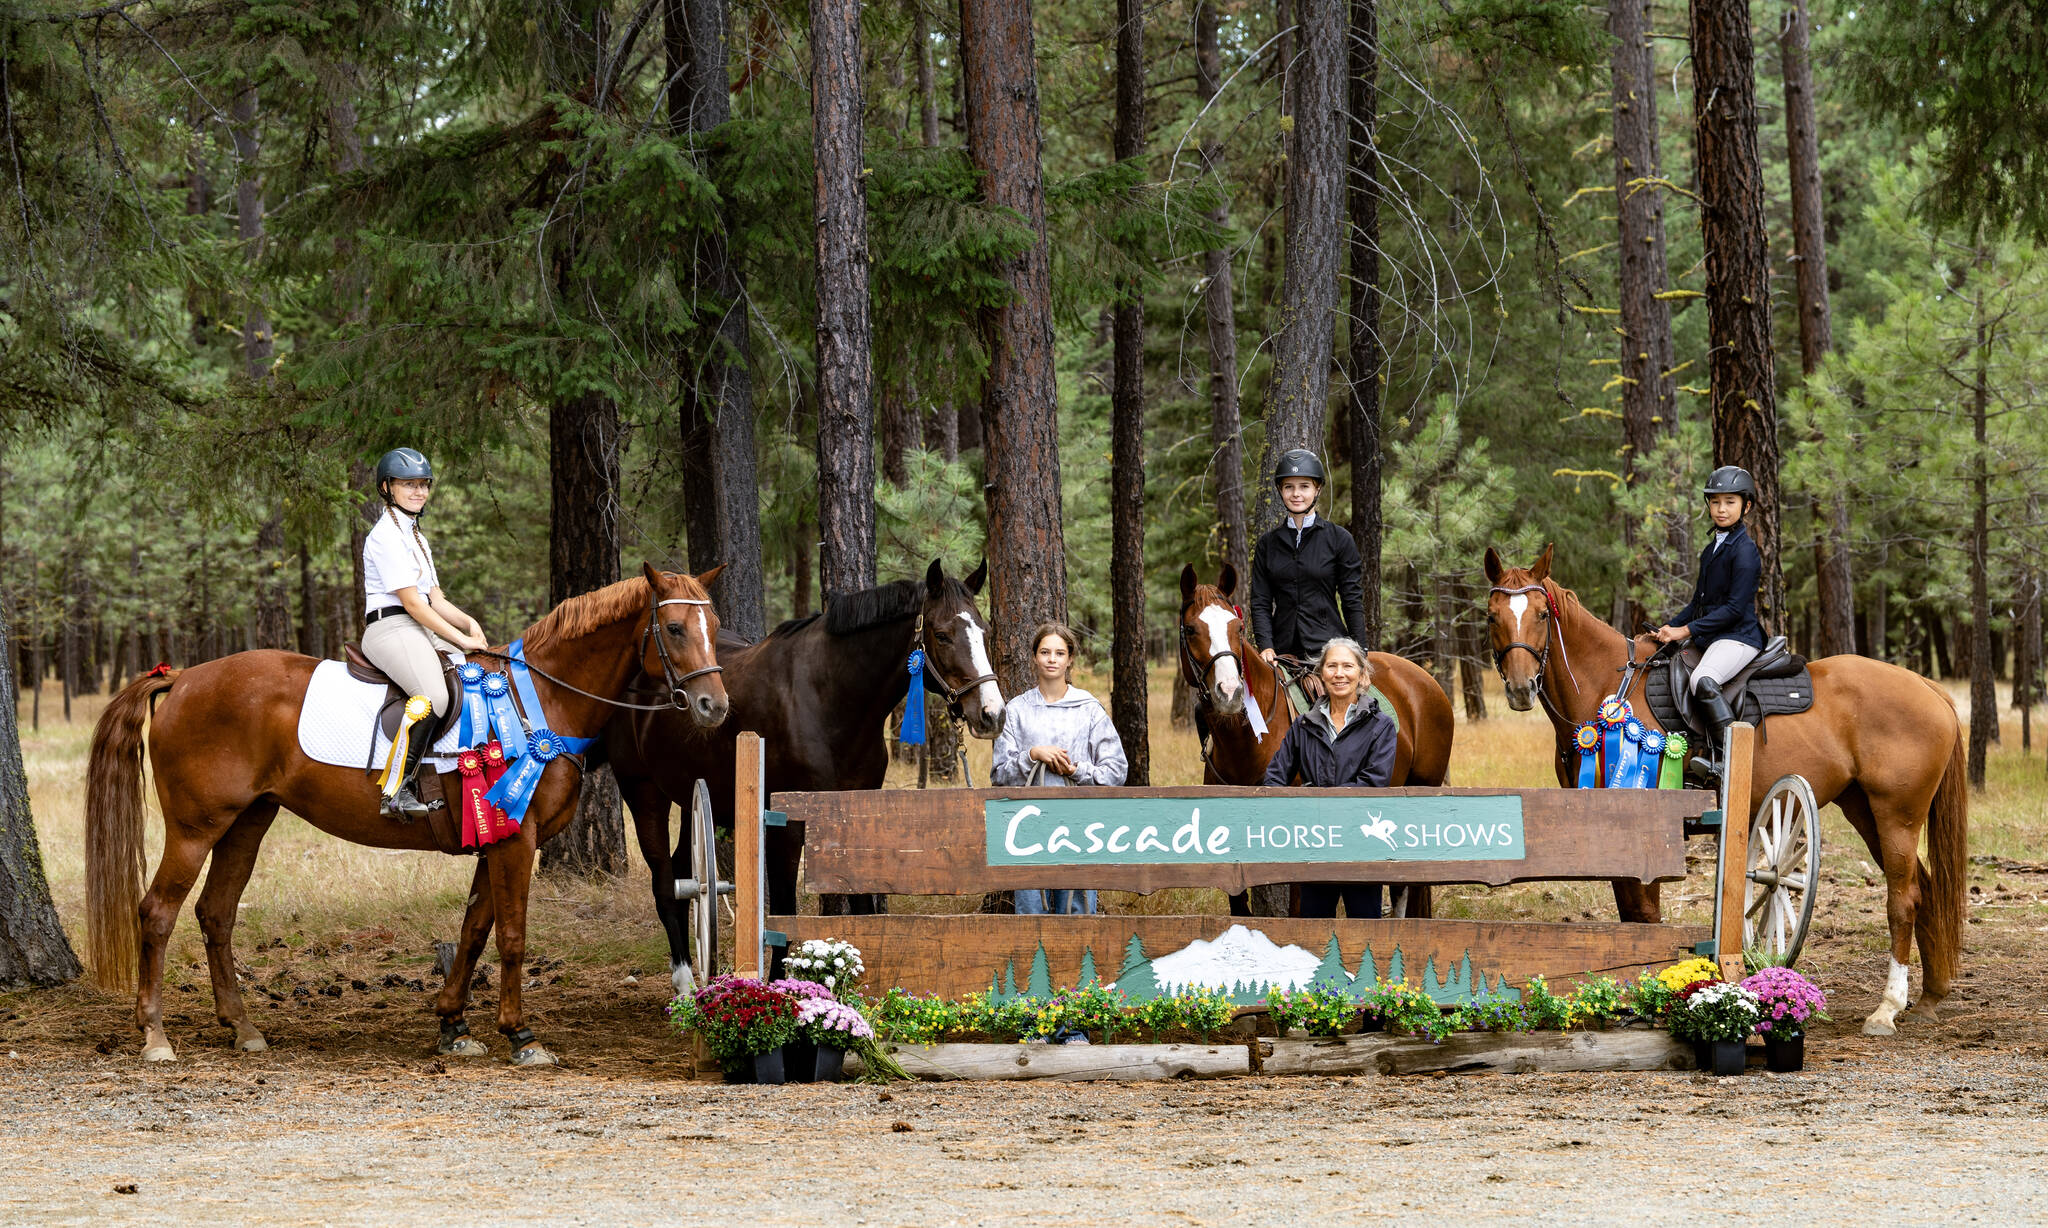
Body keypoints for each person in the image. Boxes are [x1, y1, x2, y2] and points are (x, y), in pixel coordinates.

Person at [361, 448, 492, 818]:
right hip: (391, 626)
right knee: (433, 696)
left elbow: (435, 599)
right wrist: (460, 639)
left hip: (419, 623)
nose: (418, 492)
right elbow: (414, 605)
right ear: (387, 488)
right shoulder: (386, 535)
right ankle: (397, 789)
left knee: (480, 670)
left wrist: (469, 623)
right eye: (408, 485)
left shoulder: (416, 535)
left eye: (423, 485)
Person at [990, 623, 1128, 915]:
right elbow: (999, 774)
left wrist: (1075, 770)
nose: (1052, 659)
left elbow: (1116, 770)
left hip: (1078, 827)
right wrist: (1032, 754)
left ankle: (1079, 962)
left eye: (1059, 653)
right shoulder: (1016, 711)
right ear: (1034, 658)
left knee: (1078, 910)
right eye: (1045, 652)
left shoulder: (1089, 709)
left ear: (1070, 659)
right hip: (1027, 830)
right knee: (1030, 913)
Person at [1260, 637, 1396, 919]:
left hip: (1361, 845)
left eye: (1348, 666)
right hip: (1316, 845)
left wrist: (1320, 800)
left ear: (1362, 674)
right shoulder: (1304, 724)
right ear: (1321, 674)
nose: (1339, 673)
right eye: (1332, 666)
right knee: (1316, 931)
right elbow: (1274, 778)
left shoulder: (1380, 726)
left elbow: (1374, 783)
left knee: (1365, 930)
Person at [1653, 465, 1766, 741]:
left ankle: (1729, 755)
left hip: (1738, 637)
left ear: (1746, 506)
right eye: (1715, 502)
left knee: (1702, 680)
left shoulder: (1746, 551)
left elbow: (1734, 609)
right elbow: (1697, 604)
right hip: (1714, 637)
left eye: (1730, 502)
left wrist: (1685, 631)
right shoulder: (1710, 550)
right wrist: (1670, 627)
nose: (1721, 509)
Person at [1249, 449, 1367, 706]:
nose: (1296, 494)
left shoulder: (1339, 539)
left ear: (1318, 490)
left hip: (1329, 649)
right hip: (1281, 652)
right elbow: (1260, 601)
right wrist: (1266, 645)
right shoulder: (1267, 545)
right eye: (1289, 487)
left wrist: (1361, 654)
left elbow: (1351, 600)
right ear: (1280, 491)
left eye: (1304, 486)